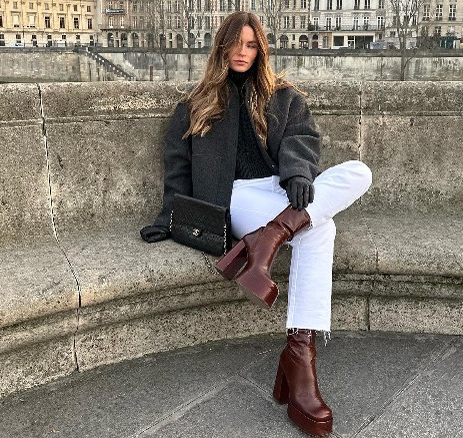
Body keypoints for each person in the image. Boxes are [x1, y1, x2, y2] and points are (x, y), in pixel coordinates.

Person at [140, 11, 371, 437]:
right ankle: (301, 363)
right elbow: (177, 173)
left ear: (261, 49)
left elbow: (302, 140)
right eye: (234, 44)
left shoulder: (283, 97)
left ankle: (269, 239)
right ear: (221, 47)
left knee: (359, 172)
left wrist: (300, 175)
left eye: (250, 45)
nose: (241, 53)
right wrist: (169, 218)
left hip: (280, 191)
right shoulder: (196, 105)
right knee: (321, 227)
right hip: (236, 196)